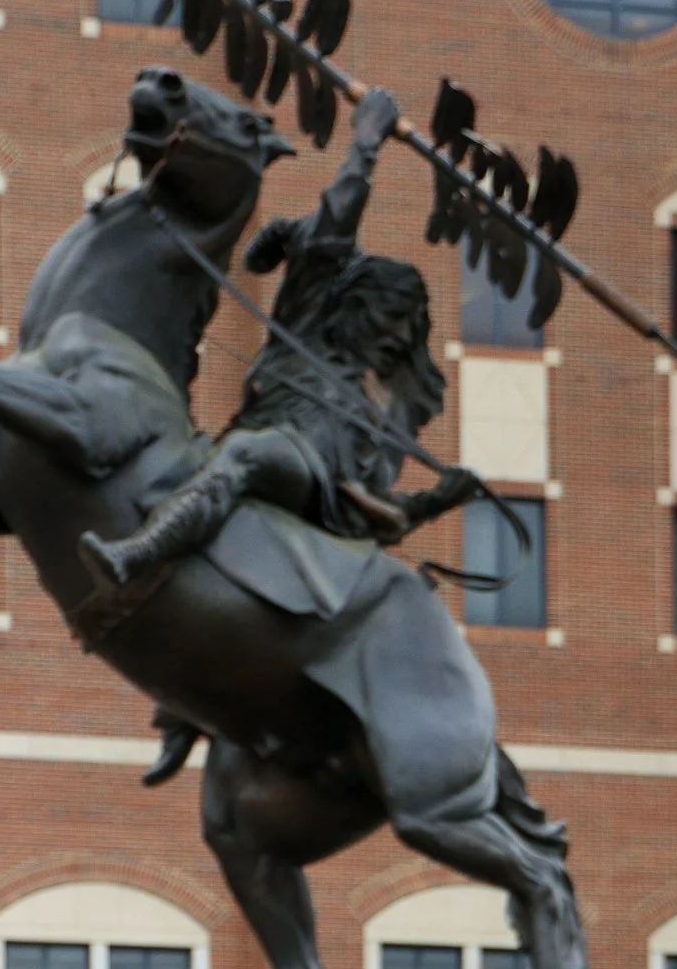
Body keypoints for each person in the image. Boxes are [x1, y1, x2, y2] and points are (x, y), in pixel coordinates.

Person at [77, 84, 482, 626]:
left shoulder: (383, 407)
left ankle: (135, 558)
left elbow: (376, 518)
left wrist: (438, 499)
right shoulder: (309, 320)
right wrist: (363, 145)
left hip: (301, 469)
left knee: (246, 456)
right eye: (387, 311)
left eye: (403, 324)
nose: (391, 331)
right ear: (356, 300)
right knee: (179, 458)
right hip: (248, 435)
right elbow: (336, 221)